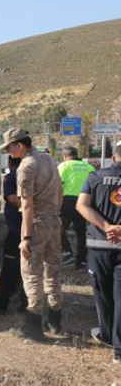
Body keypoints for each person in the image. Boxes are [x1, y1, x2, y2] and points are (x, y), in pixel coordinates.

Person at [1, 128, 63, 339]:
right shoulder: (49, 159)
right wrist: (55, 213)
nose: (8, 152)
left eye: (9, 147)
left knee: (31, 273)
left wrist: (25, 238)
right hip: (54, 220)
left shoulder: (26, 166)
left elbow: (27, 205)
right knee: (52, 270)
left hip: (36, 222)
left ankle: (33, 326)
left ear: (19, 145)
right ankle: (55, 321)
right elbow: (60, 191)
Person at [76, 143, 121, 363]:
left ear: (113, 157)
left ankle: (107, 335)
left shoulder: (95, 176)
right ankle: (119, 350)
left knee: (103, 294)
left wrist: (107, 227)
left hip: (99, 245)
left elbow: (82, 206)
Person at [0, 156, 28, 313]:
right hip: (34, 230)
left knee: (10, 268)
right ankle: (25, 303)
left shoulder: (12, 177)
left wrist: (30, 211)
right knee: (29, 269)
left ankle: (0, 303)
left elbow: (15, 201)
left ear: (10, 163)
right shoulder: (36, 175)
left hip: (17, 230)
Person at [59, 146, 95, 268]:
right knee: (82, 233)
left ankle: (67, 253)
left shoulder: (64, 166)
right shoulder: (89, 167)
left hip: (67, 202)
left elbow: (59, 185)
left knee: (58, 228)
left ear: (65, 156)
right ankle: (82, 261)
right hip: (85, 202)